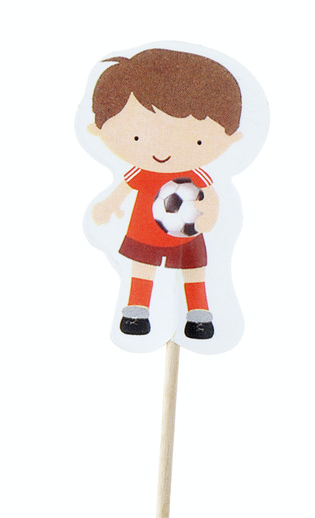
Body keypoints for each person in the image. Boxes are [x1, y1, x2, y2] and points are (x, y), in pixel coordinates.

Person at [87, 48, 243, 339]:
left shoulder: (195, 174)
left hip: (187, 236)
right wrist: (108, 205)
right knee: (142, 269)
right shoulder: (142, 171)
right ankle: (136, 313)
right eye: (137, 137)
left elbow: (210, 196)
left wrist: (209, 216)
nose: (162, 150)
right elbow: (124, 188)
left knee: (193, 270)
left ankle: (198, 317)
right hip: (144, 232)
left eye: (197, 140)